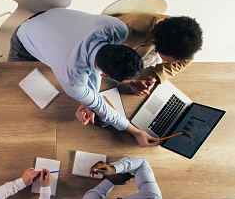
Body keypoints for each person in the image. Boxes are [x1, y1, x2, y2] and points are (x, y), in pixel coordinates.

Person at [9, 8, 158, 148]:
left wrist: (87, 99)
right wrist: (136, 132)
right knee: (17, 77)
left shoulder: (117, 27)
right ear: (104, 75)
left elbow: (94, 60)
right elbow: (101, 106)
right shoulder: (71, 77)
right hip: (24, 37)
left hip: (51, 18)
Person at [114, 13, 203, 96]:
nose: (171, 64)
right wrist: (131, 82)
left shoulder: (184, 40)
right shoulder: (131, 33)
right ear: (159, 49)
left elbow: (184, 62)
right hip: (115, 47)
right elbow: (106, 58)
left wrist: (155, 76)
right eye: (168, 60)